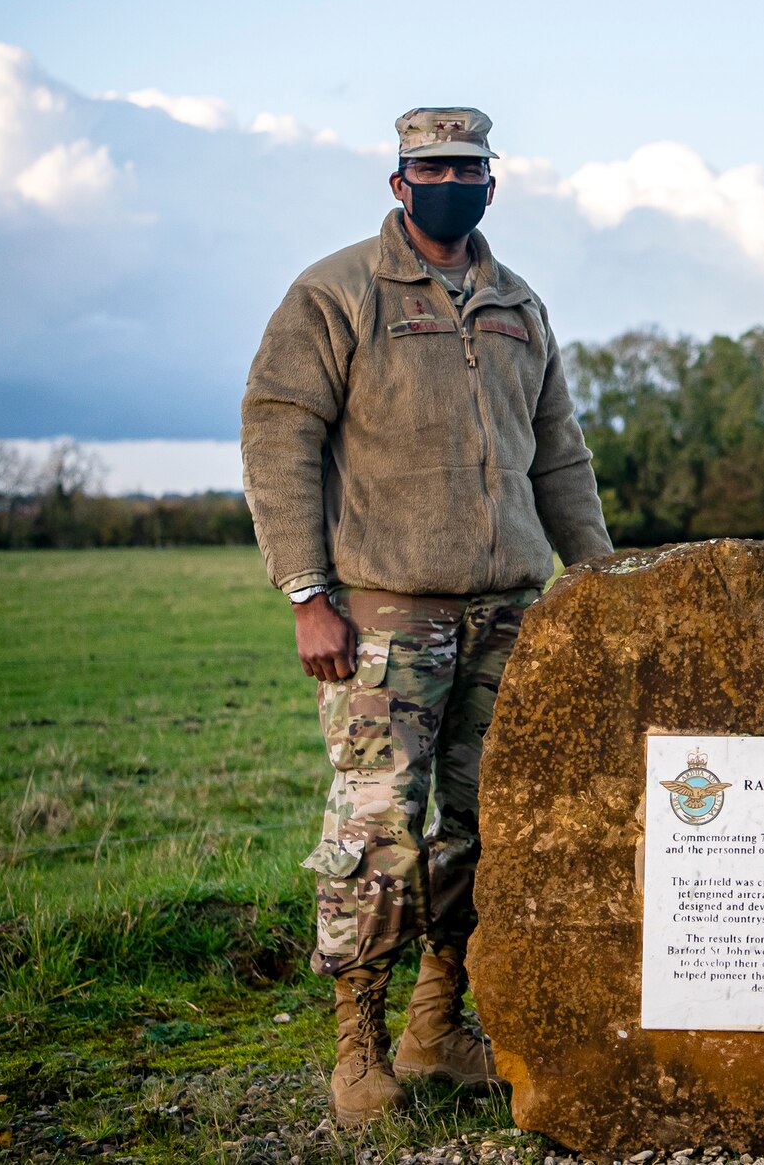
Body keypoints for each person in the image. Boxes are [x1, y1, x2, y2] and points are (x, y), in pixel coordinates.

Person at [242, 107, 613, 1128]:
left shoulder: (516, 304)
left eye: (470, 167)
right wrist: (306, 594)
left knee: (483, 832)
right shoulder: (335, 293)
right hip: (382, 620)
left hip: (507, 618)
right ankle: (357, 1050)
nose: (453, 180)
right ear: (399, 181)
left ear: (492, 182)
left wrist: (602, 581)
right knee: (376, 836)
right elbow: (279, 440)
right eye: (433, 166)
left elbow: (560, 458)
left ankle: (437, 1025)